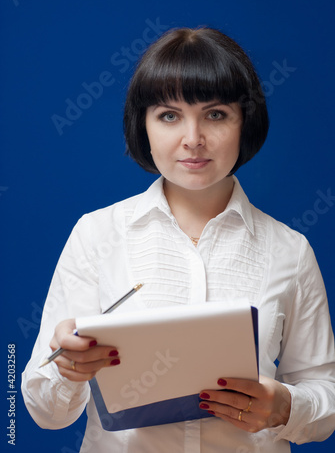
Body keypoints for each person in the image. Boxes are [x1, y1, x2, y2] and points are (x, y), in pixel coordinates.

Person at [22, 27, 335, 452]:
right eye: (169, 115)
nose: (193, 139)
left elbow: (325, 392)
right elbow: (44, 412)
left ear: (246, 122)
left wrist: (285, 406)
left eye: (216, 114)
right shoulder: (97, 235)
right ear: (144, 126)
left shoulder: (290, 251)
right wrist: (67, 370)